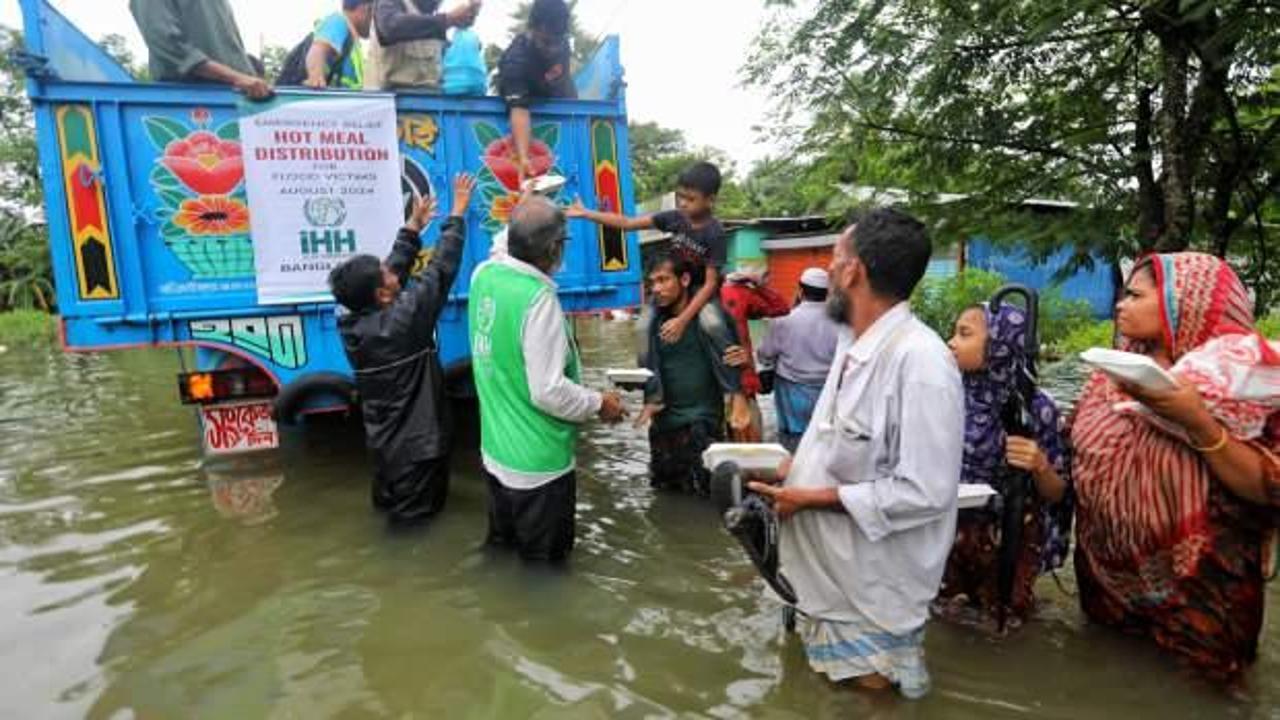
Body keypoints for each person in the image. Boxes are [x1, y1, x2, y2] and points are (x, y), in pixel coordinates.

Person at [747, 209, 964, 700]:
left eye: (835, 257)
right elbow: (834, 436)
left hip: (874, 589)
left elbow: (926, 491)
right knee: (832, 697)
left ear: (853, 272)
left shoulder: (922, 362)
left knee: (872, 702)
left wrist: (810, 498)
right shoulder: (852, 341)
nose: (829, 268)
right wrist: (789, 470)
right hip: (832, 578)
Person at [1071, 252, 1279, 685]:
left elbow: (1268, 486)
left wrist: (1197, 421)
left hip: (1201, 595)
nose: (1119, 305)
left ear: (1185, 303)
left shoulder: (1244, 387)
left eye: (1135, 295)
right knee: (1102, 682)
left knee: (1198, 698)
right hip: (1106, 585)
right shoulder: (1112, 373)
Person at [469, 196, 627, 563]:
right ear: (555, 248)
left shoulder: (484, 276)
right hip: (539, 468)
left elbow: (502, 243)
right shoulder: (537, 299)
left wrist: (526, 205)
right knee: (546, 570)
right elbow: (548, 391)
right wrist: (600, 402)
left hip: (496, 455)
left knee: (504, 555)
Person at [328, 174, 476, 525]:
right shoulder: (403, 322)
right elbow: (441, 269)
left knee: (391, 516)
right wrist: (456, 214)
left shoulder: (353, 324)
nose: (391, 271)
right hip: (419, 452)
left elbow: (392, 272)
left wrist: (412, 228)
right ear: (381, 295)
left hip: (385, 450)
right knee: (415, 529)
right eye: (384, 273)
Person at [569, 162, 750, 436]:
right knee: (642, 327)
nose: (684, 204)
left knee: (712, 323)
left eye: (691, 199)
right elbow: (628, 223)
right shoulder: (675, 218)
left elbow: (711, 282)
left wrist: (682, 319)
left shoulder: (714, 232)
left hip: (701, 290)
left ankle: (734, 393)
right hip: (677, 285)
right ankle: (654, 397)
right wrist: (586, 214)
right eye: (681, 197)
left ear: (710, 200)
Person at [935, 302, 1072, 629]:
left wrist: (1038, 464)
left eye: (964, 334)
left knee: (1003, 624)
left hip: (1009, 532)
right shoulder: (946, 393)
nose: (951, 342)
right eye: (954, 333)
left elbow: (1058, 494)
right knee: (945, 614)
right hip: (948, 527)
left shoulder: (1037, 407)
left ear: (1000, 345)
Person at [639, 251, 743, 495]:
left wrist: (744, 363)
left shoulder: (711, 319)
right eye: (652, 283)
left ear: (684, 280)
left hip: (702, 424)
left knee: (706, 497)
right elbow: (647, 371)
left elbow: (735, 358)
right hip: (663, 427)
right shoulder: (651, 325)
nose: (656, 288)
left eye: (663, 280)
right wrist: (634, 385)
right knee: (665, 497)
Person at [756, 268, 841, 452]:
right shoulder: (840, 323)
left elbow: (764, 354)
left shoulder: (783, 320)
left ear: (801, 291)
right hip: (826, 392)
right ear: (827, 294)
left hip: (790, 394)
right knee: (822, 443)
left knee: (792, 445)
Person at [497, 0, 577, 183]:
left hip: (555, 99)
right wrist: (524, 158)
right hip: (525, 103)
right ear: (532, 30)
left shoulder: (563, 45)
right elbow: (519, 108)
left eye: (557, 41)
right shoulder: (515, 61)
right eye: (546, 42)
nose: (552, 50)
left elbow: (566, 88)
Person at [130, 0, 272, 99]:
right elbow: (166, 43)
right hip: (190, 102)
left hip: (237, 100)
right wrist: (236, 77)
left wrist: (250, 80)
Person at [720, 268, 792, 442]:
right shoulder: (736, 292)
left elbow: (780, 309)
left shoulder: (737, 293)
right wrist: (757, 286)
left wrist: (757, 286)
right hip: (723, 385)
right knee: (749, 452)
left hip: (740, 382)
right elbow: (780, 308)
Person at [364, 0, 482, 91]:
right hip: (388, 107)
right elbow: (390, 27)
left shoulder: (432, 20)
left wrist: (463, 29)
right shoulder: (391, 3)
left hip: (428, 107)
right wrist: (447, 19)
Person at [303, 1, 375, 90]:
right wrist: (316, 80)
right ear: (364, 9)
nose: (375, 24)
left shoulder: (351, 41)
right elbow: (318, 50)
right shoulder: (339, 21)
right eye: (374, 16)